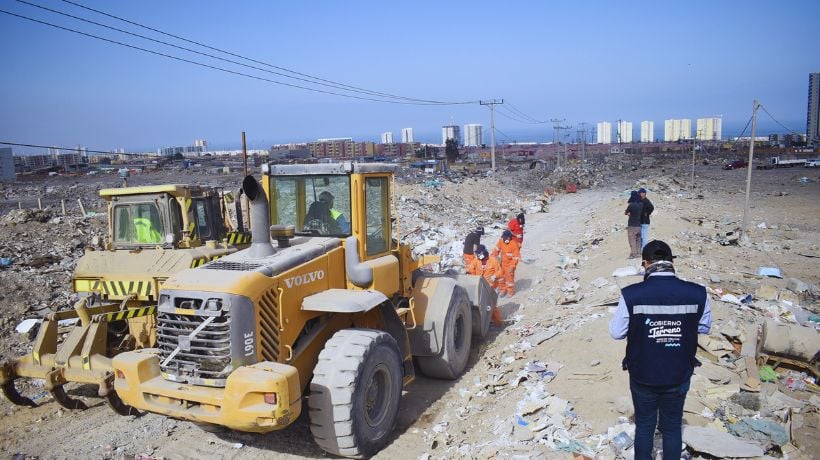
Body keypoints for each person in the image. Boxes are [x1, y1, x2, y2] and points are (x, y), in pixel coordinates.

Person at [609, 240, 711, 460]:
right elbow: (703, 327)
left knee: (645, 425)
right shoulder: (698, 293)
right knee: (672, 427)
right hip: (678, 373)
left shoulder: (631, 294)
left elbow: (617, 333)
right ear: (671, 262)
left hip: (643, 374)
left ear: (645, 264)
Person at [492, 230, 521, 297]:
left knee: (509, 279)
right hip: (502, 263)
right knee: (500, 277)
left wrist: (512, 266)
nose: (504, 239)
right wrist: (493, 257)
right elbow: (496, 250)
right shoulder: (501, 241)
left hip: (510, 265)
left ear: (509, 238)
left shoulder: (513, 244)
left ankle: (510, 291)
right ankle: (503, 289)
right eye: (503, 237)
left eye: (505, 238)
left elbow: (516, 257)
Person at [625, 191, 643, 258]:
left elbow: (626, 212)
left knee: (632, 240)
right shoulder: (641, 204)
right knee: (638, 240)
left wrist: (629, 214)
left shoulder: (631, 205)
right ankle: (638, 253)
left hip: (632, 226)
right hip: (639, 225)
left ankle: (634, 254)